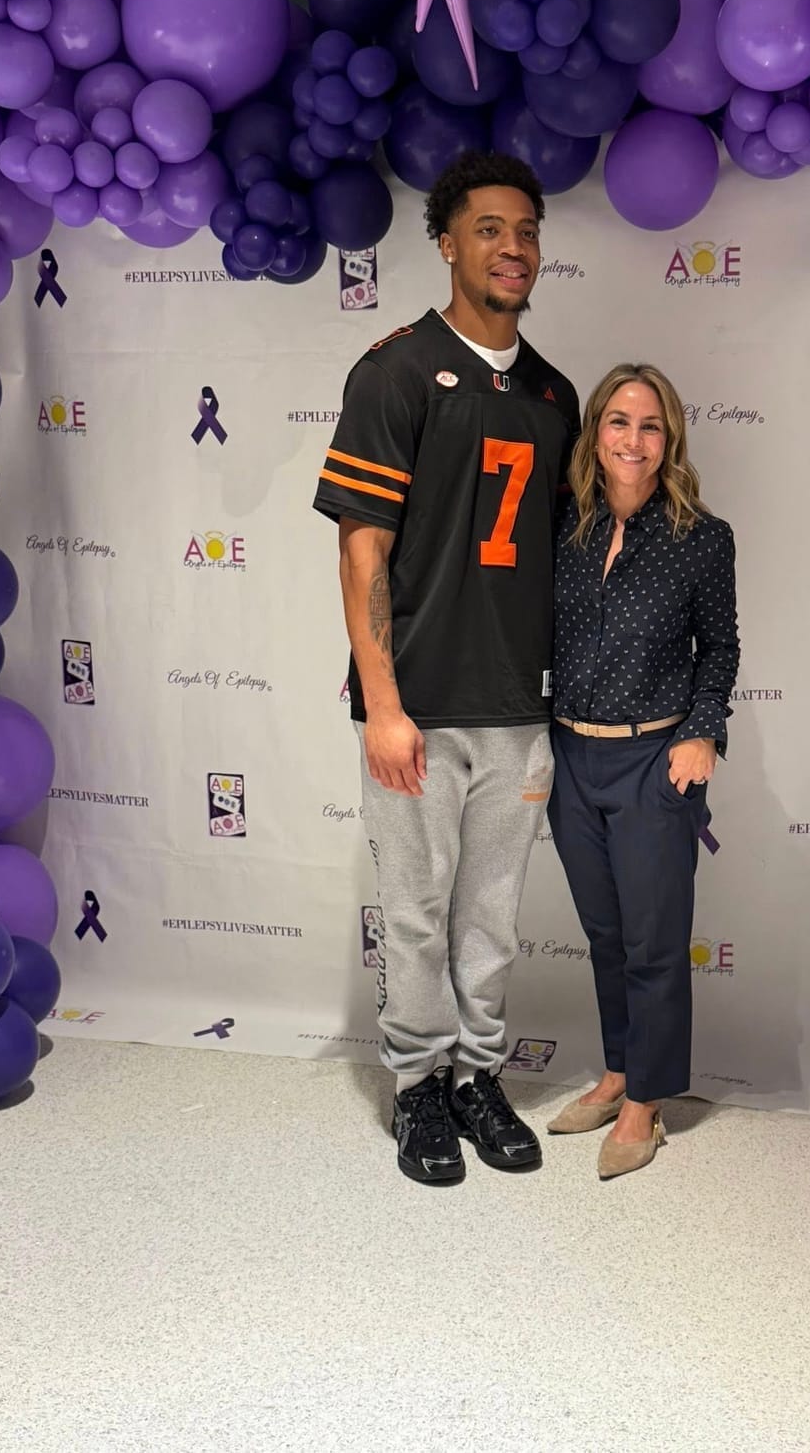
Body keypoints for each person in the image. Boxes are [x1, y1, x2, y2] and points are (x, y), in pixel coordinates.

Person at [312, 153, 580, 1184]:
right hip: (417, 704)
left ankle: (477, 1075)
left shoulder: (552, 393)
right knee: (417, 916)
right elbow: (361, 553)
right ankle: (418, 1085)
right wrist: (383, 705)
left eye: (526, 231)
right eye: (488, 229)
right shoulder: (395, 370)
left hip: (518, 705)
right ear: (447, 244)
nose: (512, 247)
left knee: (492, 919)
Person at [545, 363, 739, 1180]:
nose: (633, 439)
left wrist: (702, 735)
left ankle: (645, 1104)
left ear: (670, 440)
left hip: (653, 761)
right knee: (604, 935)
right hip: (568, 756)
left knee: (653, 944)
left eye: (649, 425)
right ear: (596, 432)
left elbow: (719, 647)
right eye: (618, 422)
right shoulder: (562, 524)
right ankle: (619, 1069)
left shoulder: (701, 537)